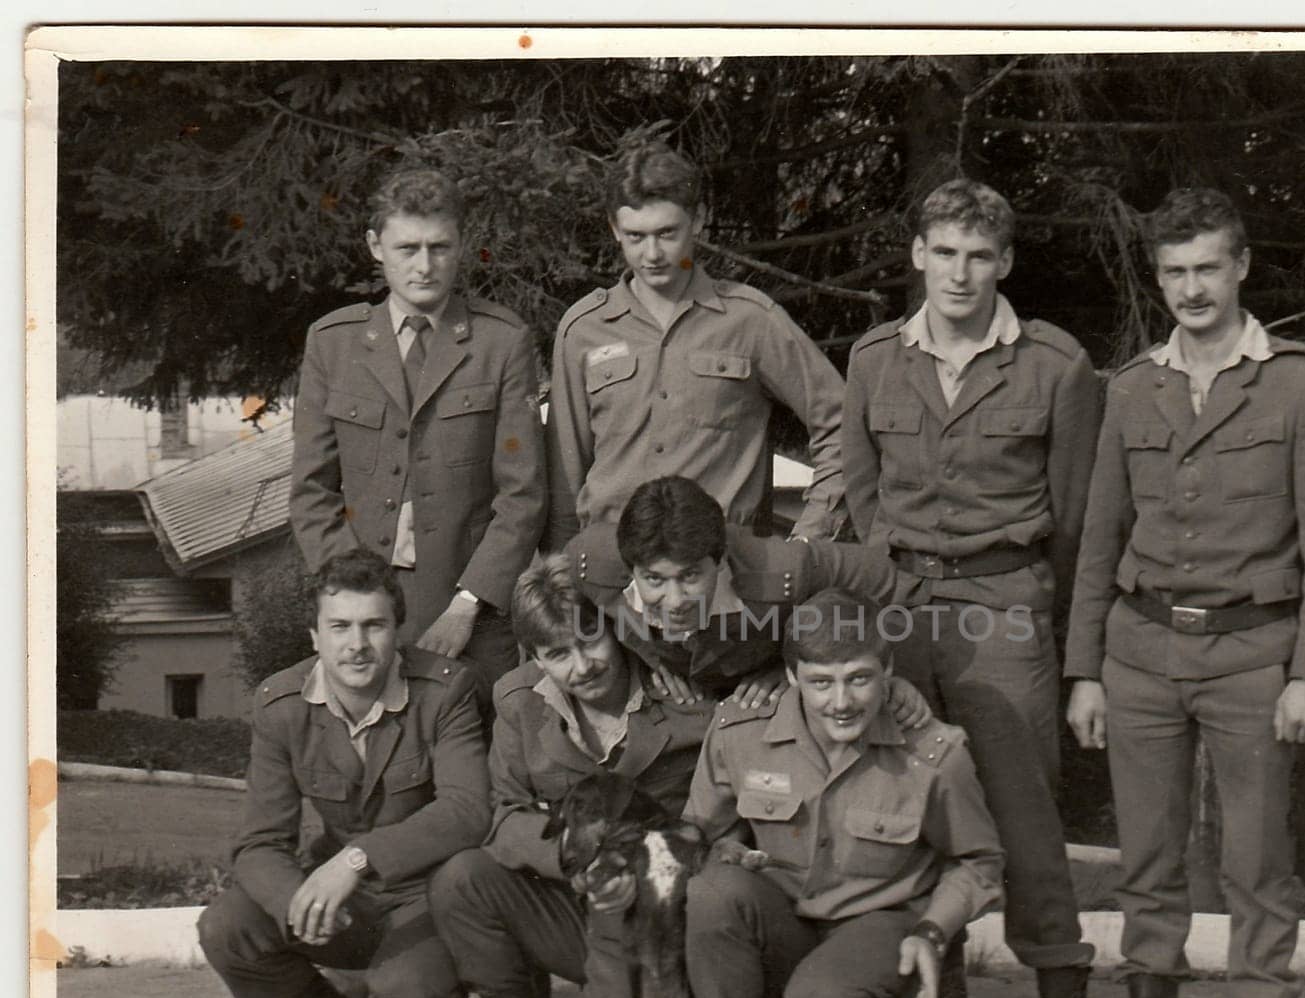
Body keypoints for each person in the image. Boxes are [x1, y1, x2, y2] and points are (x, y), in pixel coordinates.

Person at [1062, 188, 1305, 998]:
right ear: (1158, 279)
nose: (1191, 289)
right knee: (1146, 862)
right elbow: (1098, 538)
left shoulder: (1299, 384)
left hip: (1253, 657)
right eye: (1173, 272)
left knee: (1255, 865)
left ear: (1241, 268)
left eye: (1207, 268)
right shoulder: (1130, 389)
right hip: (1142, 653)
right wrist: (1085, 669)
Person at [840, 178, 1102, 998]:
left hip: (1004, 608)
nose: (961, 273)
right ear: (918, 254)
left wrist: (1065, 647)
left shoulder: (1056, 367)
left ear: (1006, 264)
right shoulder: (874, 361)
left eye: (980, 255)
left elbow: (1075, 522)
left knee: (1023, 818)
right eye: (945, 252)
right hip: (903, 608)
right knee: (902, 806)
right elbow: (865, 502)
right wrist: (895, 594)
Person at [681, 589, 1005, 998]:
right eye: (820, 682)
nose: (841, 701)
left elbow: (979, 862)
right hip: (785, 916)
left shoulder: (931, 754)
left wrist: (932, 932)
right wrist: (722, 851)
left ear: (889, 671)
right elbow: (697, 830)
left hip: (879, 924)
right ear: (791, 678)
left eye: (859, 678)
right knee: (710, 894)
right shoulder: (740, 733)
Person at [421, 552, 721, 998]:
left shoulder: (687, 694)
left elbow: (724, 811)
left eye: (591, 641)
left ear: (617, 628)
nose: (582, 666)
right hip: (588, 914)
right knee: (464, 878)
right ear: (535, 658)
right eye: (558, 654)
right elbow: (503, 814)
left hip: (673, 922)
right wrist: (576, 857)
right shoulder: (518, 702)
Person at [197, 549, 489, 998]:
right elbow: (261, 842)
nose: (357, 644)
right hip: (342, 899)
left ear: (397, 630)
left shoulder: (445, 692)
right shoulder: (279, 705)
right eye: (340, 627)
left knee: (415, 996)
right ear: (315, 637)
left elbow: (467, 811)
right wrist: (296, 903)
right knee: (227, 927)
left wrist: (357, 860)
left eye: (373, 625)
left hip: (423, 898)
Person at [290, 165, 545, 686]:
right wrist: (358, 604)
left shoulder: (501, 342)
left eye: (439, 247)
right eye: (408, 248)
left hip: (473, 614)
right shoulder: (332, 343)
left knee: (471, 760)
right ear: (375, 246)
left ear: (460, 246)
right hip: (359, 616)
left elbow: (523, 495)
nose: (425, 266)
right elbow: (311, 490)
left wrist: (467, 606)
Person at [544, 141, 847, 549]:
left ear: (699, 219)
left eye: (667, 233)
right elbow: (564, 478)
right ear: (614, 229)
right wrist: (564, 575)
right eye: (635, 236)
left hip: (724, 572)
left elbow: (844, 426)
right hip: (610, 574)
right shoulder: (583, 329)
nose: (651, 254)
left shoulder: (751, 320)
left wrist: (808, 541)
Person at [565, 475, 902, 704]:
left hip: (759, 697)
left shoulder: (782, 570)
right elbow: (575, 620)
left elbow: (887, 581)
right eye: (654, 580)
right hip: (673, 702)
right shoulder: (588, 562)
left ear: (720, 560)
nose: (675, 601)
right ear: (629, 569)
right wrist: (640, 666)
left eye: (691, 576)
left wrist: (797, 666)